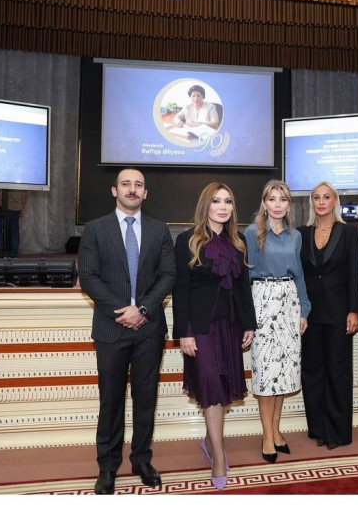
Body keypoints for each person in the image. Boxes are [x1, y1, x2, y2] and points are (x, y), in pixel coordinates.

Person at [77, 168, 176, 494]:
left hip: (149, 329)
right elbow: (89, 277)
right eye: (126, 184)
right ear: (114, 190)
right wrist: (122, 311)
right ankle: (107, 466)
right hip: (111, 327)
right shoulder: (95, 229)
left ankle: (141, 459)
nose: (132, 189)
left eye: (138, 185)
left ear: (145, 193)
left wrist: (142, 310)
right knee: (111, 400)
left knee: (146, 398)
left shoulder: (160, 230)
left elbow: (168, 275)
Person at [172, 182, 256, 490]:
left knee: (222, 386)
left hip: (230, 325)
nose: (223, 207)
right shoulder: (187, 240)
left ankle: (210, 440)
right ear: (205, 205)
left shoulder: (239, 241)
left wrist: (249, 324)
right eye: (217, 201)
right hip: (201, 328)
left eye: (228, 201)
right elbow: (180, 289)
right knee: (210, 384)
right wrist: (184, 332)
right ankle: (219, 455)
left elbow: (243, 287)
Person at [244, 180, 310, 463]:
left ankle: (276, 430)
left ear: (289, 204)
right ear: (264, 203)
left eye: (283, 199)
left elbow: (300, 274)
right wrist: (248, 316)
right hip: (262, 301)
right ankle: (267, 435)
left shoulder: (296, 236)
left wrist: (304, 309)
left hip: (289, 301)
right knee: (266, 372)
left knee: (284, 372)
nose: (277, 204)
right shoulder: (252, 233)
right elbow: (244, 276)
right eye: (272, 199)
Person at [298, 181, 358, 450]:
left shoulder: (349, 233)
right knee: (312, 372)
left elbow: (355, 273)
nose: (321, 202)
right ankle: (318, 428)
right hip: (310, 314)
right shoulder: (301, 233)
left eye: (326, 197)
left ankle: (338, 431)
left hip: (339, 313)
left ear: (335, 201)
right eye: (316, 197)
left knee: (338, 372)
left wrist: (354, 309)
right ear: (311, 202)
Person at [0, 189, 28, 256]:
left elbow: (1, 191)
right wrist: (22, 208)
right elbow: (24, 197)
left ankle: (0, 249)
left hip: (4, 206)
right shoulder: (23, 184)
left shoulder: (7, 181)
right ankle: (14, 252)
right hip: (16, 208)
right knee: (14, 231)